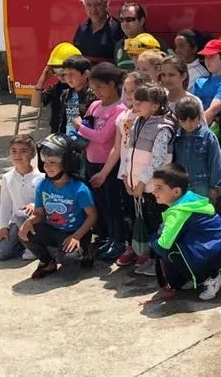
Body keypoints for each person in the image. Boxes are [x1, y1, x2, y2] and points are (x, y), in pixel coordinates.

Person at [149, 164, 221, 301]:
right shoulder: (189, 198)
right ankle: (196, 277)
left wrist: (152, 240)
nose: (154, 191)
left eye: (159, 188)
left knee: (170, 250)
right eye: (154, 186)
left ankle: (212, 277)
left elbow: (163, 246)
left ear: (176, 192)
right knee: (176, 243)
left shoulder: (178, 212)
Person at [89, 71, 151, 267]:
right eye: (126, 90)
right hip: (126, 174)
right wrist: (106, 172)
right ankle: (133, 246)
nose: (130, 94)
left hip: (146, 175)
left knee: (149, 214)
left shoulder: (150, 117)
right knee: (130, 213)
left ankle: (149, 253)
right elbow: (118, 148)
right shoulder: (123, 116)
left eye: (133, 90)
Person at [18, 134, 98, 279]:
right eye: (45, 162)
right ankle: (47, 262)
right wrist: (28, 222)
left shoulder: (79, 188)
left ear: (66, 163)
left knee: (68, 259)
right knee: (25, 233)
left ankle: (87, 250)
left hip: (75, 232)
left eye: (53, 162)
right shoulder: (43, 185)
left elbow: (92, 216)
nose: (47, 167)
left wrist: (77, 236)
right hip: (54, 229)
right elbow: (39, 213)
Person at [72, 62, 127, 261]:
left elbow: (102, 136)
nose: (97, 93)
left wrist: (79, 126)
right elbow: (88, 127)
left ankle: (119, 240)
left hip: (109, 166)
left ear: (112, 84)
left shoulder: (120, 109)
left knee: (113, 205)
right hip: (90, 162)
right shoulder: (95, 105)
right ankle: (105, 237)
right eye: (94, 89)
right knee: (100, 204)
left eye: (100, 88)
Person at [124, 84, 176, 276]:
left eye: (140, 101)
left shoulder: (163, 128)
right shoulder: (138, 122)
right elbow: (128, 152)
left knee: (157, 226)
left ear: (155, 106)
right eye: (134, 100)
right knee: (145, 223)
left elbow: (158, 161)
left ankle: (160, 264)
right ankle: (151, 260)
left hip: (153, 189)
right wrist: (126, 177)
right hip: (137, 188)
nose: (135, 104)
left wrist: (140, 183)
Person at [0, 135, 42, 261]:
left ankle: (33, 247)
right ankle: (22, 243)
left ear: (32, 155)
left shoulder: (41, 177)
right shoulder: (7, 178)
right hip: (17, 222)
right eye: (14, 151)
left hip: (36, 220)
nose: (18, 155)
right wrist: (3, 228)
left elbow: (47, 200)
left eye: (23, 151)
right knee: (1, 253)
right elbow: (5, 205)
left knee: (23, 213)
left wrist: (34, 205)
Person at [173, 96, 221, 199]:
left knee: (202, 214)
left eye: (192, 119)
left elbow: (216, 161)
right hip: (181, 185)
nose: (188, 124)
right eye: (183, 120)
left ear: (199, 116)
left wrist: (215, 185)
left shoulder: (208, 136)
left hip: (202, 185)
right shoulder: (176, 137)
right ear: (178, 120)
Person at [31, 42, 81, 134]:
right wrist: (42, 80)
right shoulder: (56, 88)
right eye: (55, 72)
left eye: (63, 72)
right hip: (57, 135)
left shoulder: (83, 89)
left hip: (78, 137)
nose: (60, 77)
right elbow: (36, 103)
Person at [191, 39, 221, 126]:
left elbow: (212, 111)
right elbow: (188, 106)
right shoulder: (199, 81)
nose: (207, 60)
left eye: (211, 56)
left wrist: (192, 129)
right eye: (205, 57)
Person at [72, 0, 124, 64]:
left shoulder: (118, 28)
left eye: (98, 4)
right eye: (89, 5)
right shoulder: (81, 29)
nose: (94, 10)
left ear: (106, 4)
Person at [114, 3, 161, 69]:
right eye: (122, 20)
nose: (125, 23)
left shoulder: (156, 44)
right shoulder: (119, 45)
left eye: (129, 20)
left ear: (142, 21)